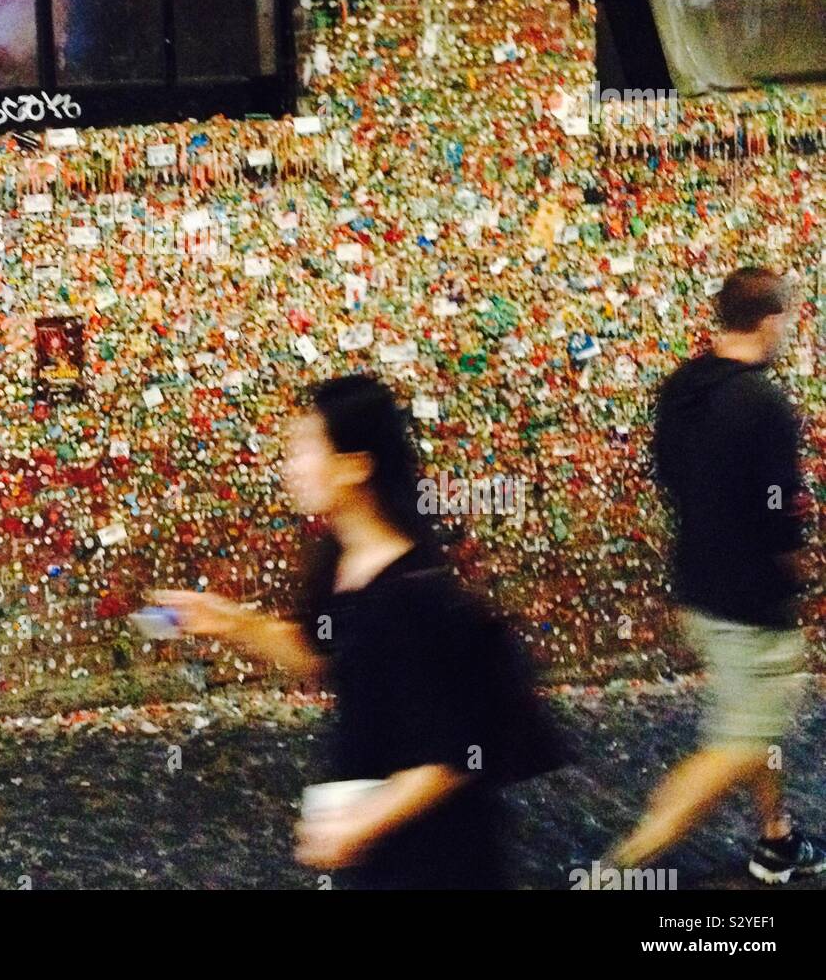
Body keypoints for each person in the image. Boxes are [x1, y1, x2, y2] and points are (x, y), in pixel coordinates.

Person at [153, 373, 570, 890]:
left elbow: (453, 755)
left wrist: (359, 823)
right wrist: (232, 623)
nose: (291, 467)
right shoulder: (341, 560)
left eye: (304, 449)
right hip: (388, 848)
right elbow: (319, 653)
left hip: (439, 858)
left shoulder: (413, 597)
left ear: (355, 466)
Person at [610, 266, 823, 883]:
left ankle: (776, 838)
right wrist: (796, 571)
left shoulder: (682, 388)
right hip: (751, 605)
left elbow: (670, 476)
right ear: (771, 319)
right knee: (738, 741)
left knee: (752, 723)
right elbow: (781, 510)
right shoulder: (763, 402)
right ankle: (626, 862)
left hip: (698, 592)